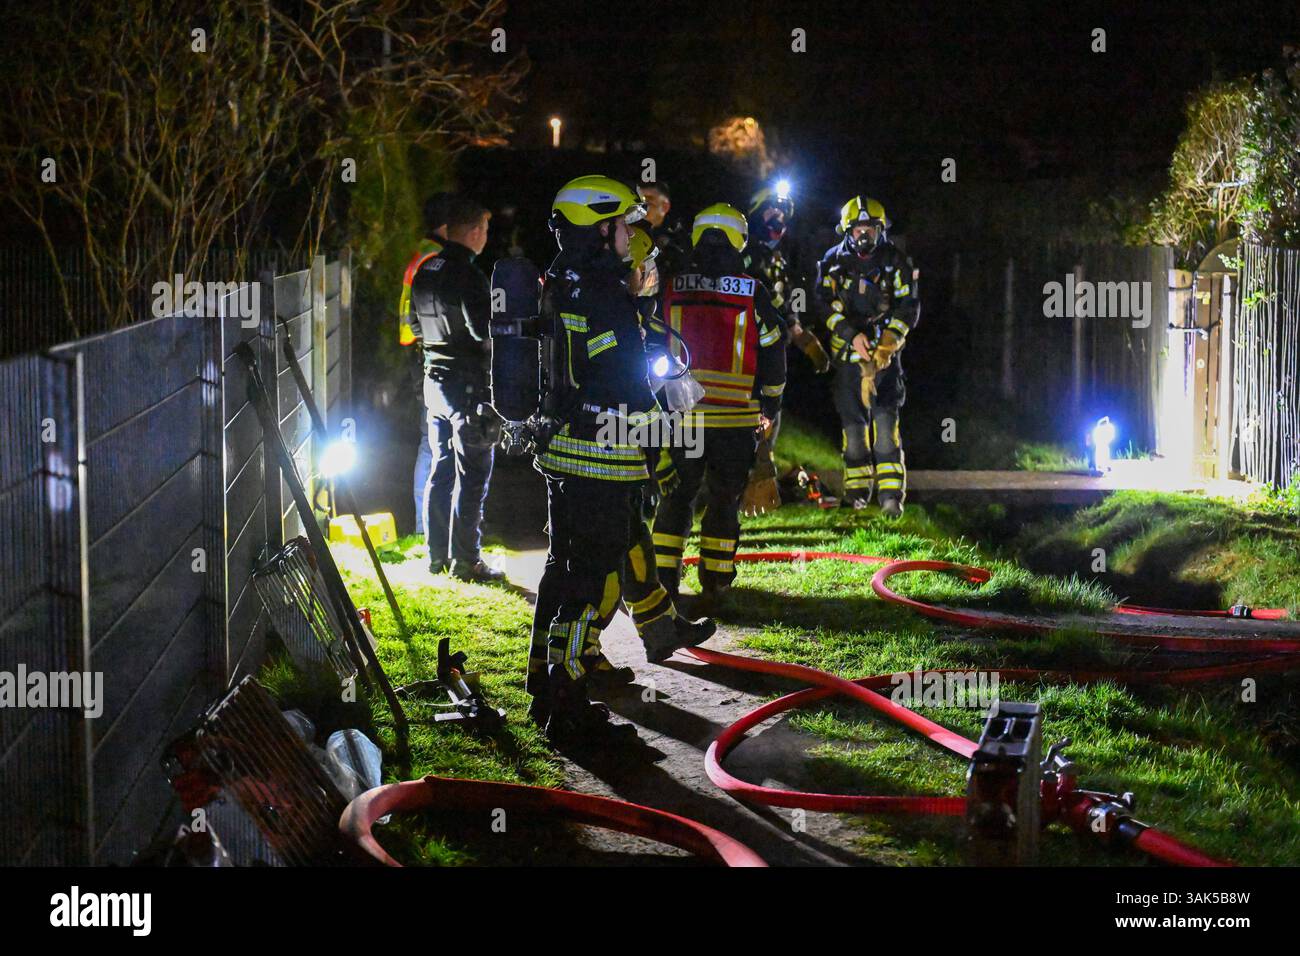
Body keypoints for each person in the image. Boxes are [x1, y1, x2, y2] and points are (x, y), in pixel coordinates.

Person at [525, 175, 713, 746]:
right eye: (625, 225)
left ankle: (544, 682)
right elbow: (625, 384)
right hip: (600, 458)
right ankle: (568, 700)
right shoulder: (604, 294)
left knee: (562, 570)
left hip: (564, 451)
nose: (631, 235)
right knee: (588, 580)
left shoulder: (563, 279)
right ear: (600, 226)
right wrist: (666, 425)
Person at [651, 203, 787, 611]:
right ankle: (715, 583)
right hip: (736, 420)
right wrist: (772, 401)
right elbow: (774, 349)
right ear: (739, 241)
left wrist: (656, 402)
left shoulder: (670, 286)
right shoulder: (753, 292)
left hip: (682, 420)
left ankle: (662, 585)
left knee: (676, 498)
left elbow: (651, 344)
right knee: (725, 500)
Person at [409, 195, 505, 581]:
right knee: (473, 474)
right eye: (485, 229)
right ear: (475, 231)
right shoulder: (468, 275)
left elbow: (415, 326)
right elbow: (484, 330)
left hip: (434, 384)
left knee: (440, 470)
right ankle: (467, 560)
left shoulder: (426, 269)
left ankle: (437, 557)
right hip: (467, 387)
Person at [814, 196, 920, 516]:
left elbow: (908, 306)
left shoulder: (895, 261)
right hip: (847, 359)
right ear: (847, 230)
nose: (865, 236)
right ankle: (857, 492)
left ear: (881, 231)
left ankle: (891, 498)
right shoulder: (832, 262)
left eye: (871, 230)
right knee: (853, 431)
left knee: (886, 428)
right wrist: (851, 335)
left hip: (885, 361)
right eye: (859, 229)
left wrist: (887, 343)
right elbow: (822, 306)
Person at [740, 183, 829, 514]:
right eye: (770, 211)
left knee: (769, 415)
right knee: (751, 416)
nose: (777, 218)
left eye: (782, 213)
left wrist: (800, 334)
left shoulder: (777, 258)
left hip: (772, 351)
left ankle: (760, 485)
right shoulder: (745, 253)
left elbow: (785, 301)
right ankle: (743, 486)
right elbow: (761, 297)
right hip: (745, 350)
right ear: (755, 215)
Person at [399, 193, 453, 534]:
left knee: (430, 441)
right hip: (424, 351)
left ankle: (428, 525)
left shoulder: (421, 251)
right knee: (431, 442)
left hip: (417, 350)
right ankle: (424, 526)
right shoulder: (434, 258)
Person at [637, 180, 689, 276]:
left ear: (665, 206)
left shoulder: (679, 238)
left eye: (649, 203)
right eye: (639, 203)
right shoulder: (629, 231)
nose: (641, 209)